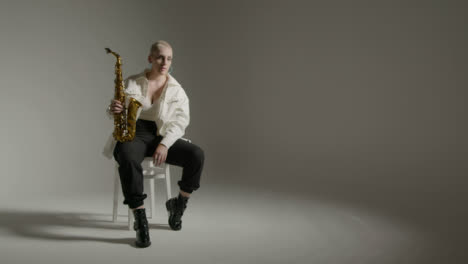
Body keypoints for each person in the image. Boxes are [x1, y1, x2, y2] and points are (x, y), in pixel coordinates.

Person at [102, 40, 205, 248]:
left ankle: (178, 205)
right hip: (134, 133)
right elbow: (113, 113)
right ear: (150, 58)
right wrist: (113, 109)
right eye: (160, 57)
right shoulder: (132, 82)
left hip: (162, 135)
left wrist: (165, 144)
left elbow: (181, 122)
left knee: (196, 155)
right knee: (127, 156)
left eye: (168, 58)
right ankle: (140, 219)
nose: (164, 62)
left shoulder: (177, 90)